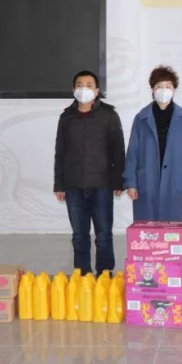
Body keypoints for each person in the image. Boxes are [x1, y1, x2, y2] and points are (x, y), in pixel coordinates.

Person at [53, 71, 125, 276]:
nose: (83, 88)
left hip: (102, 184)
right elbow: (60, 153)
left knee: (104, 235)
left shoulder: (109, 116)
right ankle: (82, 274)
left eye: (88, 85)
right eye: (79, 84)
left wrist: (118, 182)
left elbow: (118, 151)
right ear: (73, 89)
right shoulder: (66, 118)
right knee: (79, 235)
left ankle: (105, 274)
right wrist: (59, 185)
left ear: (97, 90)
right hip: (73, 185)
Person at [124, 65, 182, 221]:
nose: (163, 90)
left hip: (175, 182)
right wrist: (131, 183)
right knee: (147, 228)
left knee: (174, 228)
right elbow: (132, 152)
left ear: (174, 90)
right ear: (152, 89)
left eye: (168, 86)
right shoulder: (141, 118)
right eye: (159, 86)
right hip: (147, 182)